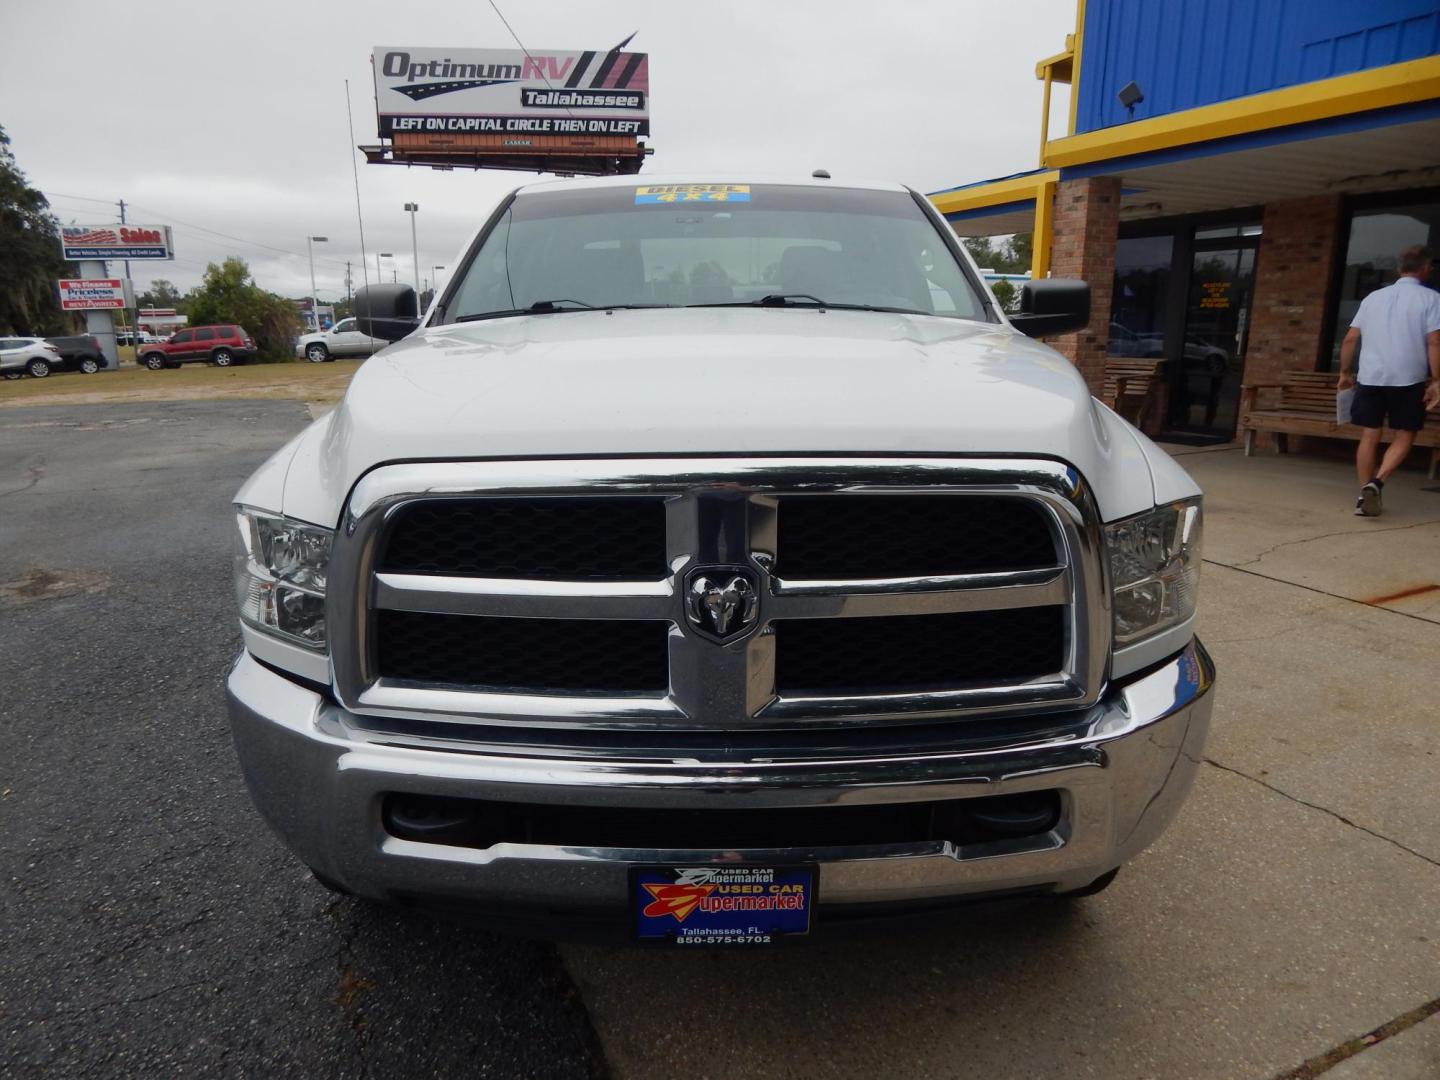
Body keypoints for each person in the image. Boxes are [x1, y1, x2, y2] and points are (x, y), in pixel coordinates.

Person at [1337, 244, 1440, 516]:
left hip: (1371, 376)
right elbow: (1434, 341)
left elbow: (1349, 339)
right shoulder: (1431, 299)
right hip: (1409, 378)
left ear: (1399, 268)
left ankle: (1364, 495)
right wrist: (1437, 380)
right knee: (1405, 434)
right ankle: (1377, 482)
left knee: (1369, 435)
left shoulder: (1373, 298)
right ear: (1426, 268)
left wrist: (1345, 373)